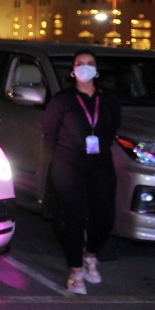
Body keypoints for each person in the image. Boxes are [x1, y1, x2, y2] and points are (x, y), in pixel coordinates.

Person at [43, 48, 121, 296]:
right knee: (73, 218)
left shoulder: (109, 99)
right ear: (73, 69)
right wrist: (64, 154)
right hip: (69, 161)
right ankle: (76, 272)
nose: (84, 67)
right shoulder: (62, 100)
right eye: (80, 63)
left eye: (90, 63)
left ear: (96, 70)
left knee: (105, 218)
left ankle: (91, 255)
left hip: (100, 161)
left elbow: (113, 128)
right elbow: (50, 133)